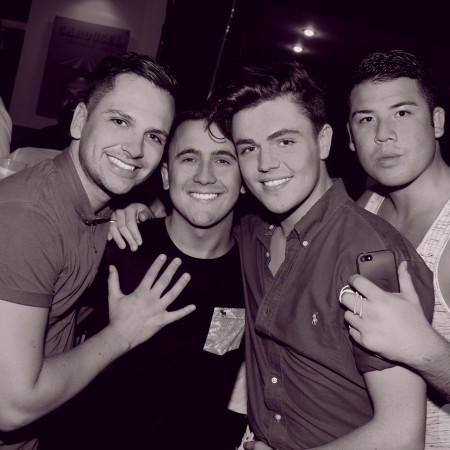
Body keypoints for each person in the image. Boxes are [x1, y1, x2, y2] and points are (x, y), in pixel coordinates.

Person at [112, 60, 436, 449]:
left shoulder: (370, 256)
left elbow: (402, 436)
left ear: (323, 142)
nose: (266, 164)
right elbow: (201, 221)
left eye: (285, 141)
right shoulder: (252, 235)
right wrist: (139, 207)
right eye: (249, 149)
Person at [0, 51, 195, 450]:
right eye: (120, 121)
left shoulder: (97, 203)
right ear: (79, 121)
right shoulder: (30, 220)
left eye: (154, 136)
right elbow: (11, 406)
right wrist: (123, 333)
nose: (135, 148)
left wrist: (144, 207)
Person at [39, 109, 247, 450]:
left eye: (223, 160)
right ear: (165, 175)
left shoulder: (254, 272)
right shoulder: (119, 246)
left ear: (245, 180)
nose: (204, 176)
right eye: (189, 158)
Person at [340, 49, 450, 448]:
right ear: (350, 137)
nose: (383, 134)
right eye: (366, 119)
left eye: (402, 112)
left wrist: (424, 349)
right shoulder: (365, 207)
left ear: (437, 122)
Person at [14, 72, 90, 151]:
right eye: (67, 94)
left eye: (81, 96)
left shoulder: (93, 145)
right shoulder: (34, 143)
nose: (72, 100)